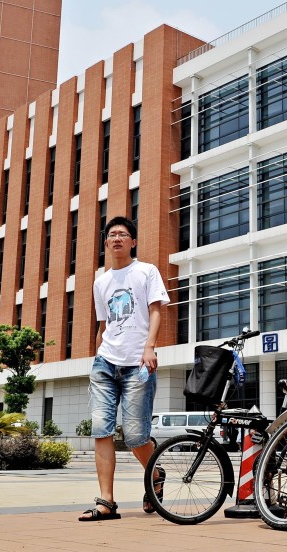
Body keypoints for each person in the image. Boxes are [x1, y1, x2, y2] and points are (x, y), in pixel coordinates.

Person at [79, 216, 169, 522]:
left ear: (132, 242)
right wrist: (95, 356)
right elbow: (103, 325)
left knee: (134, 436)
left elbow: (156, 310)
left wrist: (149, 347)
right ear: (106, 244)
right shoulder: (100, 282)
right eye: (112, 235)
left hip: (137, 364)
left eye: (123, 234)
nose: (117, 238)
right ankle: (106, 501)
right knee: (101, 430)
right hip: (105, 363)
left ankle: (155, 474)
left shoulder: (146, 271)